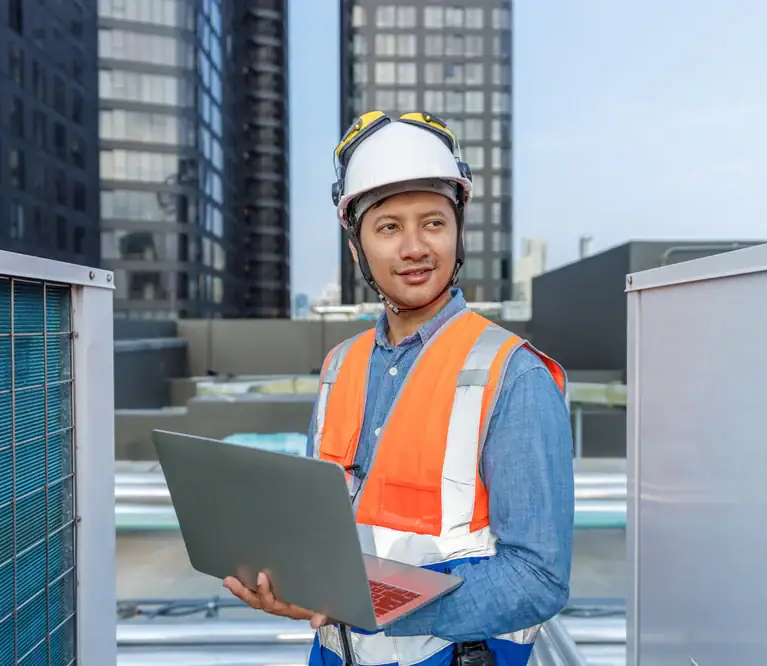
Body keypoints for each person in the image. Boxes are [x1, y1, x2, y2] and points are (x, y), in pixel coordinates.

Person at [224, 111, 575, 666]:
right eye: (388, 227)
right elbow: (329, 531)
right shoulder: (341, 366)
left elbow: (537, 579)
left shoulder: (513, 375)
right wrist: (291, 580)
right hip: (337, 653)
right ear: (357, 247)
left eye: (433, 222)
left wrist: (362, 600)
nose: (414, 247)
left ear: (457, 231)